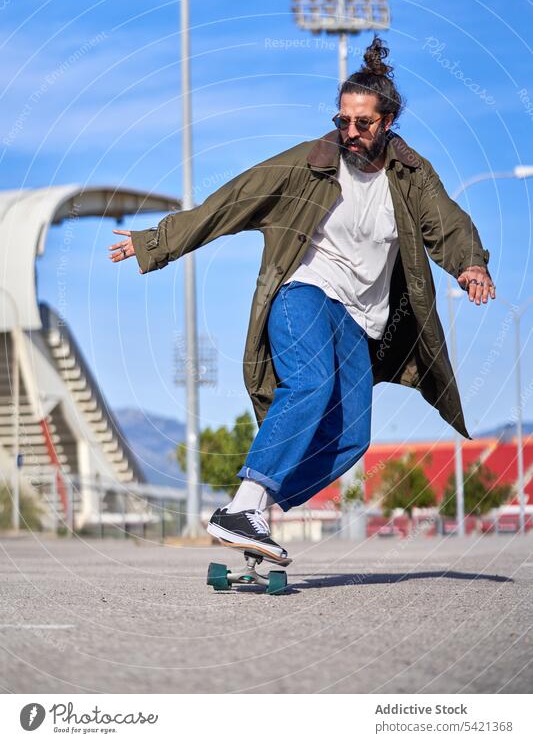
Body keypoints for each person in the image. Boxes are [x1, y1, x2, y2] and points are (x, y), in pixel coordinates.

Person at [108, 36, 495, 563]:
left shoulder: (411, 175)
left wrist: (470, 263)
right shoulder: (310, 164)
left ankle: (254, 507)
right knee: (309, 383)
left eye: (363, 124)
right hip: (304, 294)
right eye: (343, 122)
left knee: (352, 436)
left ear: (388, 122)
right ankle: (245, 507)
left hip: (361, 320)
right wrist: (157, 240)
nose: (350, 133)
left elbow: (445, 223)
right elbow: (234, 199)